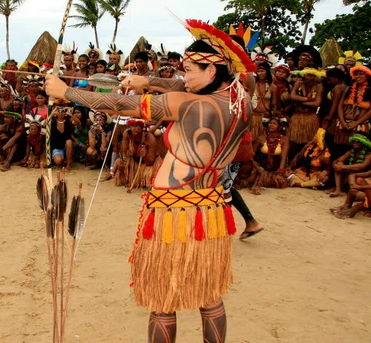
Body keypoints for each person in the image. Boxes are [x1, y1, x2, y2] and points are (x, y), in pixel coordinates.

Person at [44, 19, 253, 343]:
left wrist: (66, 91)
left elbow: (119, 104)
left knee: (162, 298)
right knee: (209, 295)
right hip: (211, 208)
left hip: (174, 212)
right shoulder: (240, 101)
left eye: (189, 70)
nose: (183, 77)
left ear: (212, 72)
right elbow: (179, 87)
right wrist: (146, 80)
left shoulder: (189, 105)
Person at [334, 65, 371, 146]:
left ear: (367, 76)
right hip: (343, 124)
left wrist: (355, 124)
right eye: (356, 74)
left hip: (360, 126)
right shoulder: (348, 89)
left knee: (355, 152)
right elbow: (340, 106)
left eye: (361, 74)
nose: (358, 76)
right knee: (339, 149)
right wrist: (343, 122)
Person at [113, 119, 160, 190]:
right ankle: (127, 179)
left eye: (136, 126)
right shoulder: (127, 133)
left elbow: (150, 162)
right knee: (119, 163)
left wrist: (145, 155)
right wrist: (124, 160)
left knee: (148, 174)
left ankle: (143, 181)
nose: (133, 128)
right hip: (134, 160)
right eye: (132, 126)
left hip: (148, 163)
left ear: (142, 128)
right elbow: (124, 152)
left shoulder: (150, 138)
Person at [288, 68, 323, 158]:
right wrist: (308, 99)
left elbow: (317, 103)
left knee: (309, 143)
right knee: (293, 142)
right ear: (304, 75)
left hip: (311, 117)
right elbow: (292, 96)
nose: (310, 78)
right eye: (308, 75)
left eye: (312, 75)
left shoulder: (319, 87)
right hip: (297, 116)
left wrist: (299, 101)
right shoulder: (298, 84)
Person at [329, 132, 371, 197]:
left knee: (346, 169)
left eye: (357, 142)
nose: (354, 143)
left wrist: (343, 167)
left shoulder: (369, 155)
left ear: (363, 143)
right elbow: (337, 160)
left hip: (362, 175)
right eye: (354, 141)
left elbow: (362, 167)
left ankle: (355, 193)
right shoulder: (351, 151)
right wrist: (335, 165)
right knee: (339, 163)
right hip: (349, 174)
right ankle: (338, 189)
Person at [252, 117, 290, 190]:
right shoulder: (261, 138)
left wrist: (280, 170)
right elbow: (251, 155)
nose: (271, 125)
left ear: (279, 127)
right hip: (261, 167)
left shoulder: (284, 139)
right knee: (254, 178)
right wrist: (256, 167)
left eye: (274, 124)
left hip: (275, 169)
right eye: (270, 123)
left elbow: (283, 157)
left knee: (280, 181)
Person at [250, 62, 272, 139]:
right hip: (253, 115)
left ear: (267, 72)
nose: (260, 73)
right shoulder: (252, 85)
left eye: (262, 71)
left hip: (265, 116)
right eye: (258, 71)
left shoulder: (272, 86)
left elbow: (275, 104)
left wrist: (271, 115)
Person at [50, 106, 74, 170]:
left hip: (67, 146)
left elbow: (79, 124)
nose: (61, 113)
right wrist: (53, 112)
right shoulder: (53, 121)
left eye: (63, 111)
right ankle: (64, 159)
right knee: (58, 161)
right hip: (57, 147)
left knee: (69, 142)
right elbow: (44, 124)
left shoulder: (68, 120)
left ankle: (68, 165)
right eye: (59, 111)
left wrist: (71, 114)